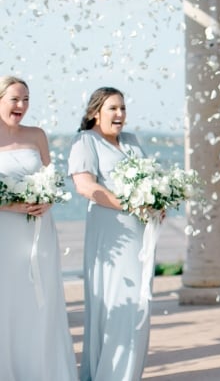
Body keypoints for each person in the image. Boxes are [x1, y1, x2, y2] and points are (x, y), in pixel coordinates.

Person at [68, 87, 151, 381]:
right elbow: (85, 187)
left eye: (123, 108)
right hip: (111, 237)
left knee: (140, 304)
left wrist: (158, 203)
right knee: (117, 304)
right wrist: (130, 205)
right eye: (113, 108)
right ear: (95, 113)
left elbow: (150, 181)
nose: (120, 114)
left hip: (141, 235)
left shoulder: (131, 141)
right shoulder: (86, 141)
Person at [0, 76, 78, 380]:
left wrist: (48, 200)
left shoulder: (37, 135)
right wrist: (11, 206)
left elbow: (51, 180)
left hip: (39, 230)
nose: (21, 106)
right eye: (15, 99)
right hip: (4, 232)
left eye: (26, 99)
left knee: (40, 299)